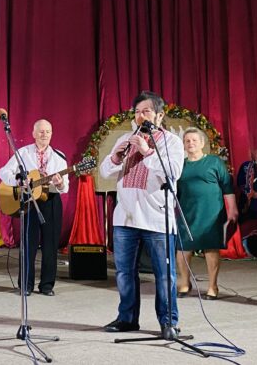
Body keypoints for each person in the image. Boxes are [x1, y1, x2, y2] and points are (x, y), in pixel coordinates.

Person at [100, 91, 184, 339]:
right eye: (136, 112)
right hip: (125, 217)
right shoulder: (126, 138)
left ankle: (168, 322)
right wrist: (115, 157)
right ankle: (127, 319)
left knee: (164, 275)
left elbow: (173, 172)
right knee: (124, 272)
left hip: (157, 218)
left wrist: (147, 151)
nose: (140, 116)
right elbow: (105, 172)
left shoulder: (171, 142)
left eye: (146, 111)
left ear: (159, 115)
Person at [0, 119, 68, 296]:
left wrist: (59, 184)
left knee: (50, 245)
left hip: (51, 201)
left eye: (48, 131)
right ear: (34, 134)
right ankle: (26, 285)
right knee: (28, 244)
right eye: (41, 131)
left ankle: (47, 286)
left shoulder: (59, 157)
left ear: (52, 134)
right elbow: (4, 172)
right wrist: (18, 180)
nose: (44, 134)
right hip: (29, 201)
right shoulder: (22, 153)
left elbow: (65, 187)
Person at [175, 128, 237, 300]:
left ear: (202, 143)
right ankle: (185, 283)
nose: (191, 143)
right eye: (187, 141)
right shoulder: (180, 164)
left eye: (194, 140)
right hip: (187, 212)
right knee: (183, 248)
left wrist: (232, 209)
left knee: (210, 248)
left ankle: (212, 286)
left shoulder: (214, 161)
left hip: (211, 212)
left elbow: (227, 186)